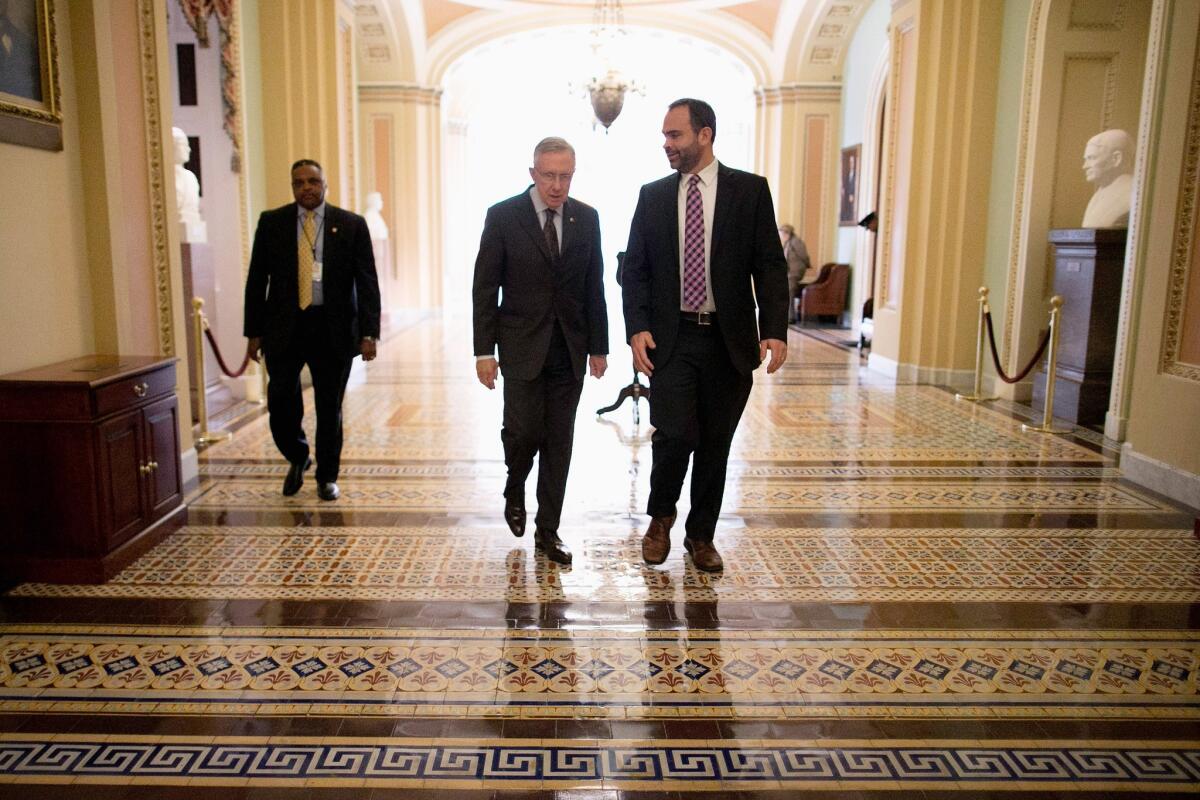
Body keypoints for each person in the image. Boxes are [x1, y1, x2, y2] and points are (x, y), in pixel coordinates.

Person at [621, 98, 789, 572]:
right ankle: (661, 518)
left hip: (729, 341)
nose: (666, 144)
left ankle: (702, 536)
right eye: (665, 135)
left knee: (716, 442)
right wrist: (637, 327)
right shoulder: (653, 196)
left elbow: (770, 265)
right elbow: (634, 271)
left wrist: (775, 329)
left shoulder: (750, 191)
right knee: (674, 435)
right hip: (672, 340)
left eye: (675, 135)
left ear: (705, 135)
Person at [472, 137, 609, 565]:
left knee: (559, 442)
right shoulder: (503, 216)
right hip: (520, 344)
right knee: (524, 432)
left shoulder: (586, 217)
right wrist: (483, 351)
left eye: (564, 176)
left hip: (569, 348)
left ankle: (548, 531)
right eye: (548, 175)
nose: (556, 185)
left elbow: (594, 286)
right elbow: (484, 287)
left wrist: (599, 348)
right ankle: (515, 484)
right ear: (532, 173)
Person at [243, 159, 381, 502]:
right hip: (283, 329)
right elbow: (257, 279)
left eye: (313, 181)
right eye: (299, 182)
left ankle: (326, 477)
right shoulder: (272, 222)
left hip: (331, 329)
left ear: (325, 185)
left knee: (329, 408)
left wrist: (369, 332)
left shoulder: (350, 225)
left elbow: (367, 282)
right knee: (281, 403)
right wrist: (253, 331)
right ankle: (297, 455)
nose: (306, 187)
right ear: (292, 187)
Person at [1081, 129, 1134, 228]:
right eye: (1085, 159)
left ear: (1116, 158)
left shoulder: (1133, 193)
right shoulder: (1100, 192)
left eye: (1092, 158)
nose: (1084, 166)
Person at [778, 224, 812, 324]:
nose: (781, 236)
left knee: (789, 292)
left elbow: (804, 256)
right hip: (790, 272)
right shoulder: (789, 242)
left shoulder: (796, 242)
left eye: (782, 234)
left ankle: (791, 317)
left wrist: (807, 265)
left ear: (787, 233)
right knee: (786, 292)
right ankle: (787, 316)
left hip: (795, 272)